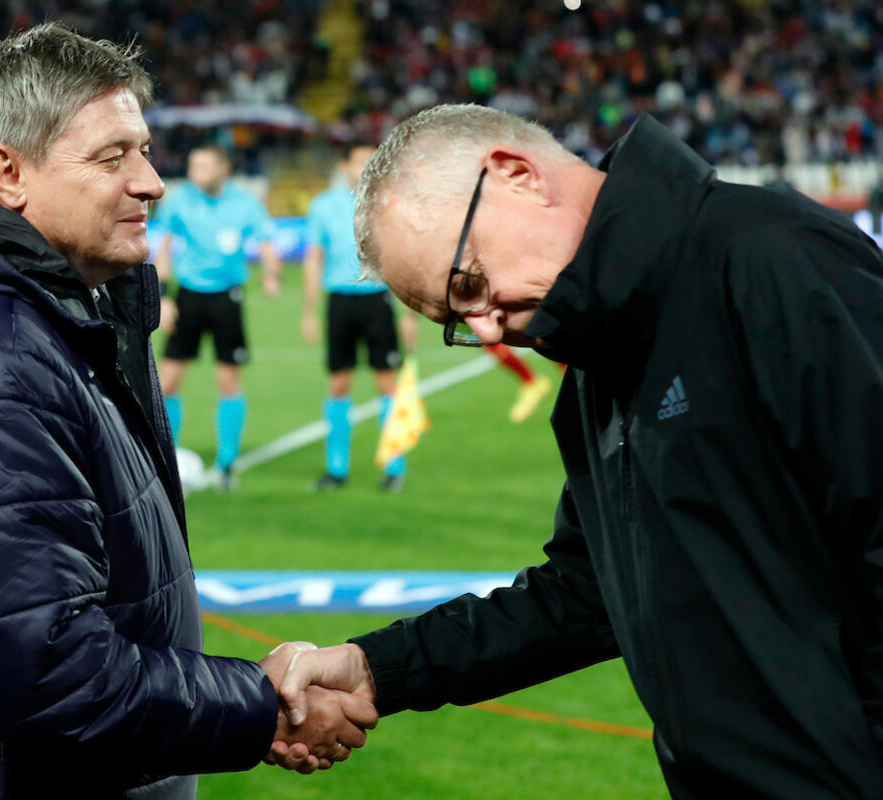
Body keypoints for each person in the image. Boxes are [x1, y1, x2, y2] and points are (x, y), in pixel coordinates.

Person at [0, 24, 373, 800]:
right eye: (113, 158)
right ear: (8, 174)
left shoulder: (55, 309)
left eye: (144, 151)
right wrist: (262, 707)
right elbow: (51, 674)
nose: (151, 182)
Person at [265, 104, 883, 797]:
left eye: (468, 285)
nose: (487, 330)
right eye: (456, 321)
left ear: (518, 175)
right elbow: (586, 595)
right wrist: (376, 667)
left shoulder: (770, 258)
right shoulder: (597, 367)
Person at [154, 145, 283, 490]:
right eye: (193, 165)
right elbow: (163, 249)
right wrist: (164, 297)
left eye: (204, 166)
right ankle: (165, 457)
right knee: (168, 381)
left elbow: (266, 243)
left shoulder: (245, 204)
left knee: (228, 380)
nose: (195, 172)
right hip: (188, 296)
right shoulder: (180, 201)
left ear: (223, 169)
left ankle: (227, 463)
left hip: (228, 298)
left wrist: (272, 274)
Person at [301, 140, 414, 492]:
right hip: (339, 301)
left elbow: (403, 258)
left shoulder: (390, 205)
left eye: (371, 161)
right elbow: (313, 258)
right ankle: (336, 469)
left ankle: (395, 467)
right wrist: (309, 311)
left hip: (377, 299)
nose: (365, 167)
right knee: (338, 383)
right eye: (359, 161)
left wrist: (409, 313)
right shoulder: (323, 205)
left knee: (387, 383)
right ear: (344, 166)